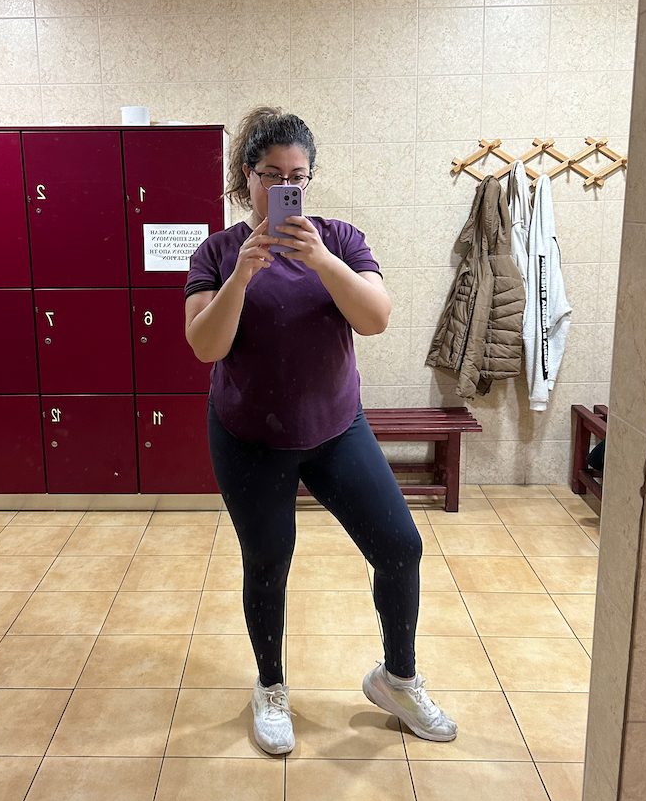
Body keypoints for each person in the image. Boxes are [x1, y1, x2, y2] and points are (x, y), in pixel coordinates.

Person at [184, 107, 457, 755]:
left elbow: (377, 318)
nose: (287, 187)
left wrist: (324, 261)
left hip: (336, 429)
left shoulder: (342, 239)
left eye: (298, 177)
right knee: (269, 563)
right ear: (246, 177)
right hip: (248, 437)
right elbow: (204, 345)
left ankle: (397, 677)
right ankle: (271, 688)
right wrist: (244, 275)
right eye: (271, 174)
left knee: (400, 546)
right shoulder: (219, 252)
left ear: (310, 179)